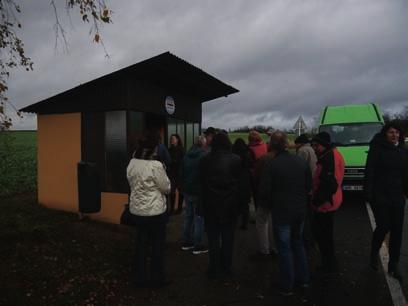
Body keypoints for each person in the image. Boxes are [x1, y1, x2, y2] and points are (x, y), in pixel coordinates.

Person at [258, 131, 312, 296]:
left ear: (272, 145)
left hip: (282, 213)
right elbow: (308, 185)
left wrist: (268, 205)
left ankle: (287, 285)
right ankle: (304, 280)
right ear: (286, 144)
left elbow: (265, 192)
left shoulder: (272, 164)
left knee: (284, 248)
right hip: (300, 211)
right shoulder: (300, 161)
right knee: (298, 243)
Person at [364, 122, 408, 282]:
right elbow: (370, 170)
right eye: (391, 132)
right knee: (383, 226)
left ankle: (393, 265)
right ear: (385, 134)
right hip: (380, 196)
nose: (394, 135)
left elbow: (406, 173)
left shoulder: (403, 150)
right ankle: (373, 253)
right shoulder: (377, 148)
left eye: (397, 132)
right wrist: (368, 193)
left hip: (397, 197)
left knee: (397, 231)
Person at [127, 135, 171, 288]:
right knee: (157, 246)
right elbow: (166, 188)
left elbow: (130, 181)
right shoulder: (155, 165)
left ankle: (140, 278)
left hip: (137, 211)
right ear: (153, 149)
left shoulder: (132, 163)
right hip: (155, 213)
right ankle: (157, 278)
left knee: (141, 245)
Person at [200, 132, 242, 278]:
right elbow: (240, 185)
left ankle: (214, 267)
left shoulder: (205, 160)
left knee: (213, 239)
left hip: (211, 205)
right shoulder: (236, 160)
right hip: (230, 206)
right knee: (228, 238)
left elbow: (202, 185)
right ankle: (226, 267)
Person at [310, 132, 345, 274]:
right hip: (331, 200)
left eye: (316, 145)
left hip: (326, 204)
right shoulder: (332, 154)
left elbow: (329, 185)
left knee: (324, 236)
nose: (314, 148)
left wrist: (315, 201)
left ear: (324, 145)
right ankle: (329, 264)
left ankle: (329, 266)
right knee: (325, 235)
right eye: (313, 145)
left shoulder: (329, 157)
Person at [180, 135, 208, 255]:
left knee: (188, 216)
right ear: (203, 144)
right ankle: (198, 245)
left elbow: (181, 173)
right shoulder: (204, 156)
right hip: (199, 191)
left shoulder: (186, 155)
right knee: (199, 218)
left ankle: (186, 242)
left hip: (187, 190)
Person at [295, 133, 317, 252]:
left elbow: (298, 168)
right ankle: (312, 240)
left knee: (305, 217)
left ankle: (307, 243)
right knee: (311, 215)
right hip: (313, 184)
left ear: (300, 143)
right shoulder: (312, 149)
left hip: (306, 187)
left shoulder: (303, 151)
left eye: (296, 144)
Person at [231, 138, 252, 230]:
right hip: (245, 179)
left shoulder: (233, 154)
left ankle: (234, 222)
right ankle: (245, 223)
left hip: (235, 179)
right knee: (245, 204)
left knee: (235, 203)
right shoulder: (248, 152)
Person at [168, 134, 185, 214]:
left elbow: (183, 161)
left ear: (177, 140)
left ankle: (179, 208)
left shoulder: (181, 149)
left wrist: (175, 162)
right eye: (171, 139)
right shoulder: (169, 150)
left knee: (181, 191)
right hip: (172, 173)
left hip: (180, 173)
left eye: (173, 139)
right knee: (172, 191)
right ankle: (172, 209)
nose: (172, 140)